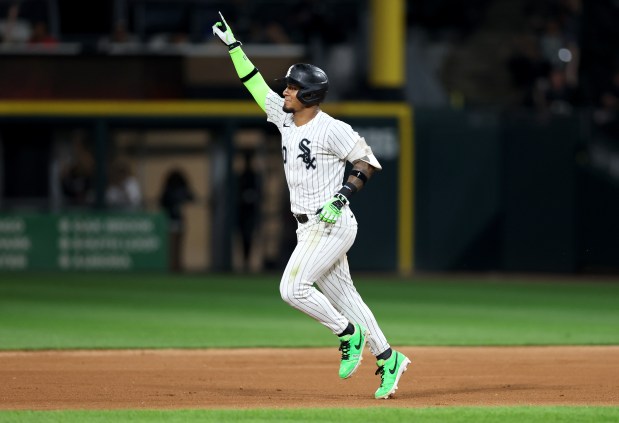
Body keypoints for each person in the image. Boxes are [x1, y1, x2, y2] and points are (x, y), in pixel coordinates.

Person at [213, 12, 411, 399]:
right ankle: (388, 357)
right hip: (308, 226)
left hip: (331, 222)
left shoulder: (332, 128)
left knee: (292, 288)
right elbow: (254, 85)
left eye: (291, 88)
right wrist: (234, 47)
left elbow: (366, 161)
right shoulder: (284, 119)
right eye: (286, 86)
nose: (284, 92)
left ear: (308, 95)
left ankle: (348, 335)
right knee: (347, 298)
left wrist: (342, 197)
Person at [159, 168, 195, 272]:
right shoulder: (178, 190)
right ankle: (176, 266)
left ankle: (175, 266)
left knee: (172, 246)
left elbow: (161, 202)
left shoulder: (169, 190)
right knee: (176, 246)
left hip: (172, 220)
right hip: (175, 220)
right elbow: (192, 197)